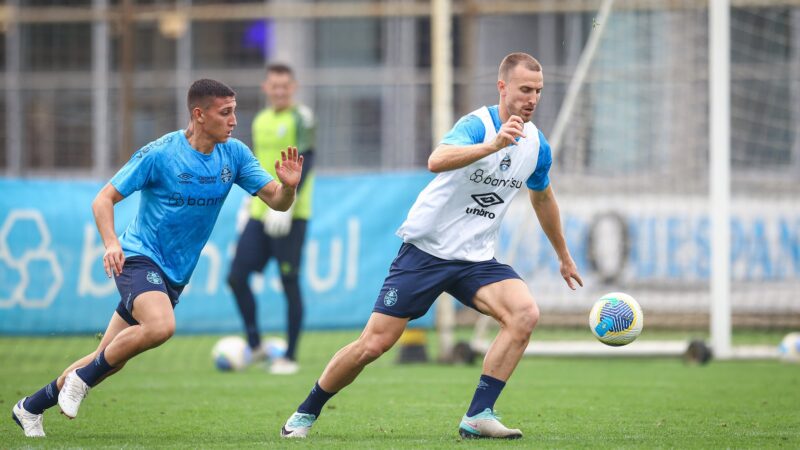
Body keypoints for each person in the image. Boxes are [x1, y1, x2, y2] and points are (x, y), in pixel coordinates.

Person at [280, 52, 583, 440]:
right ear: (502, 87)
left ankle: (478, 415)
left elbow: (542, 198)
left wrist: (563, 255)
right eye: (525, 89)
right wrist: (491, 146)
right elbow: (436, 159)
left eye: (538, 91)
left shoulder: (537, 145)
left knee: (524, 314)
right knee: (374, 344)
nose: (532, 98)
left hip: (475, 259)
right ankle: (305, 413)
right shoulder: (478, 124)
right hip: (427, 252)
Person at [11, 79, 304, 438]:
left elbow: (276, 201)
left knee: (109, 358)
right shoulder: (161, 153)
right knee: (161, 327)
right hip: (138, 258)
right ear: (199, 114)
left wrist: (288, 186)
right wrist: (110, 244)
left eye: (235, 111)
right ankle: (80, 382)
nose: (234, 120)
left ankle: (30, 407)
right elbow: (103, 199)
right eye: (225, 112)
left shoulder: (236, 155)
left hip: (174, 275)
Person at [227, 63, 315, 375]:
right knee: (236, 276)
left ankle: (289, 356)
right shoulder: (261, 120)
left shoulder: (301, 117)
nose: (279, 91)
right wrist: (246, 206)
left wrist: (290, 203)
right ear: (266, 88)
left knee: (289, 280)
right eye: (274, 86)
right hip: (261, 211)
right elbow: (256, 166)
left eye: (284, 86)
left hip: (293, 213)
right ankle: (255, 345)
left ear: (293, 87)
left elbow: (310, 158)